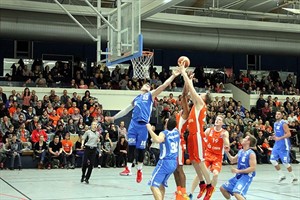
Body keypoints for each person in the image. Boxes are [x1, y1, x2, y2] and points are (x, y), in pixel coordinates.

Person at [106, 68, 180, 183]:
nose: (146, 85)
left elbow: (163, 86)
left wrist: (173, 76)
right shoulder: (136, 98)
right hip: (133, 124)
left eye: (148, 85)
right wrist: (114, 117)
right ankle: (128, 168)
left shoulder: (150, 95)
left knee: (140, 150)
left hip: (144, 125)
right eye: (145, 84)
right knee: (131, 146)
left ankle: (139, 170)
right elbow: (126, 110)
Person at [178, 62, 214, 200]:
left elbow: (192, 92)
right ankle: (202, 183)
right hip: (191, 135)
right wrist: (189, 80)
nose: (200, 94)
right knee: (193, 160)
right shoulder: (195, 104)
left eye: (202, 94)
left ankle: (210, 186)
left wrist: (183, 73)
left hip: (198, 134)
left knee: (200, 161)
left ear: (205, 98)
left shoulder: (201, 103)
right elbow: (188, 92)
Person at [189, 115, 230, 199]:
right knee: (199, 173)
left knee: (215, 174)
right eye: (216, 119)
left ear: (222, 123)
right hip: (208, 154)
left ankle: (209, 192)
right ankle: (191, 193)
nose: (217, 121)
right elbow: (202, 139)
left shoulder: (224, 132)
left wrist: (226, 143)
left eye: (219, 120)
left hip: (217, 156)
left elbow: (227, 142)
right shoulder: (209, 130)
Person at [146, 117, 179, 200]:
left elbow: (157, 140)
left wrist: (150, 130)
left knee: (153, 185)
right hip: (174, 163)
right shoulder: (176, 132)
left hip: (165, 162)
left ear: (167, 125)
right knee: (161, 184)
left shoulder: (164, 133)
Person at [220, 134, 257, 200]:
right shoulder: (241, 151)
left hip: (246, 176)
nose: (243, 139)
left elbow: (253, 168)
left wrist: (238, 171)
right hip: (238, 176)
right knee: (223, 188)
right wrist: (227, 152)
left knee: (237, 193)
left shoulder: (251, 153)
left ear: (248, 141)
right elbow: (232, 160)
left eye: (245, 138)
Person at [270, 111, 298, 184]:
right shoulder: (275, 124)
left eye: (279, 114)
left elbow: (288, 134)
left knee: (285, 162)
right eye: (276, 114)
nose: (277, 115)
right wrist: (273, 137)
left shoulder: (284, 123)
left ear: (282, 115)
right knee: (272, 160)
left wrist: (280, 138)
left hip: (284, 144)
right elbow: (276, 134)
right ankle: (281, 175)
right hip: (277, 144)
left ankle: (293, 176)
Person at [173, 83, 190, 200]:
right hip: (173, 142)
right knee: (175, 169)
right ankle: (179, 191)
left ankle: (184, 192)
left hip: (179, 143)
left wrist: (187, 81)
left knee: (179, 168)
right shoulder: (178, 116)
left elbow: (183, 96)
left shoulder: (185, 115)